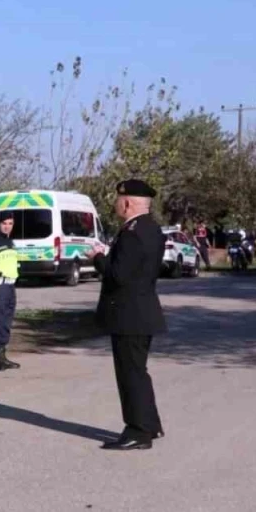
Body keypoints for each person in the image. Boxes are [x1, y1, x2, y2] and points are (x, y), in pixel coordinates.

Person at [85, 180, 166, 451]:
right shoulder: (150, 229)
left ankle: (138, 431)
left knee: (130, 374)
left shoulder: (133, 233)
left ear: (127, 202)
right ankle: (149, 424)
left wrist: (98, 258)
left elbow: (119, 274)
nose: (115, 204)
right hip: (141, 312)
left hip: (130, 314)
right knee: (137, 372)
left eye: (118, 200)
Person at [0, 213, 22, 370]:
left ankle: (2, 355)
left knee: (7, 321)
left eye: (10, 223)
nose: (7, 226)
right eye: (4, 223)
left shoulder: (10, 242)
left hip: (10, 285)